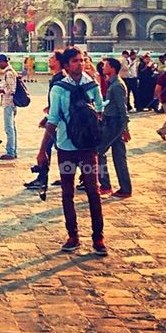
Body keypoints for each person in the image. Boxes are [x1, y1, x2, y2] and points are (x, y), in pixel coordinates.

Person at [37, 46, 107, 255]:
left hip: (87, 149)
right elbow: (53, 119)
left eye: (82, 60)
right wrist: (43, 150)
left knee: (93, 191)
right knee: (67, 192)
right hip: (66, 147)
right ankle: (73, 235)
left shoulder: (92, 86)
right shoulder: (59, 88)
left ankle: (99, 237)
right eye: (75, 61)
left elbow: (101, 110)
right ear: (66, 65)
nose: (80, 64)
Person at [24, 50, 65, 192]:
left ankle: (43, 178)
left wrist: (49, 118)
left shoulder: (59, 79)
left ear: (59, 61)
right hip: (55, 120)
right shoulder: (57, 77)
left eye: (52, 58)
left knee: (49, 147)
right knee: (59, 149)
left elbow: (59, 103)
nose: (49, 60)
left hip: (58, 122)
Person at [97, 57, 132, 198]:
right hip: (113, 122)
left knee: (98, 151)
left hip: (114, 123)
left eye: (105, 65)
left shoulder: (117, 85)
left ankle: (105, 185)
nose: (103, 67)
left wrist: (125, 129)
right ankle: (125, 188)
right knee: (119, 156)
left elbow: (122, 109)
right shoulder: (113, 83)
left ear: (112, 68)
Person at [0, 54, 19, 161]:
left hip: (9, 102)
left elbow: (12, 90)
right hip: (10, 103)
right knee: (12, 127)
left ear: (3, 62)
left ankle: (11, 152)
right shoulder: (10, 72)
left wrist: (0, 91)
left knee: (9, 128)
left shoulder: (9, 73)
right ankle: (13, 150)